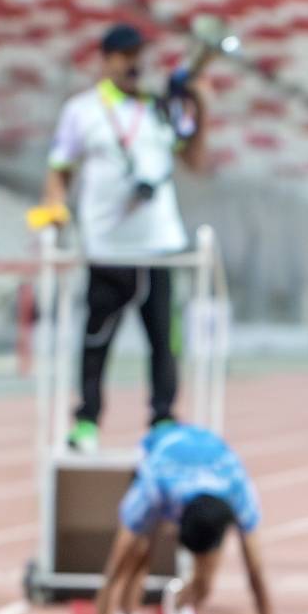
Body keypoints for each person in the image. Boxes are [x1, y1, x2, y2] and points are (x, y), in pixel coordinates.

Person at [41, 23, 206, 453]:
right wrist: (55, 208)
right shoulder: (82, 110)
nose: (135, 63)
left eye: (139, 55)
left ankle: (163, 420)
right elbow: (59, 168)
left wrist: (198, 104)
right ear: (107, 59)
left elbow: (195, 159)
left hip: (160, 247)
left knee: (163, 343)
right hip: (106, 247)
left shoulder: (160, 108)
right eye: (126, 55)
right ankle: (87, 422)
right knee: (96, 340)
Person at [89, 421, 277, 614]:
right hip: (158, 448)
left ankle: (179, 602)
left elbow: (257, 578)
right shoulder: (153, 487)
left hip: (209, 466)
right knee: (136, 554)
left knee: (205, 584)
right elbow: (113, 572)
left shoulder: (239, 492)